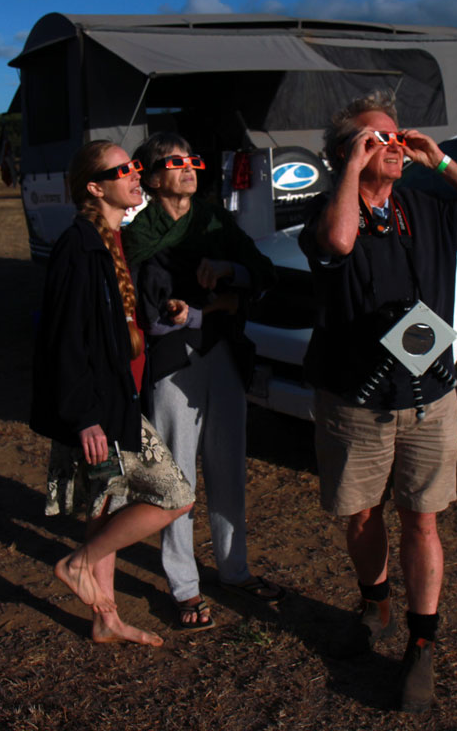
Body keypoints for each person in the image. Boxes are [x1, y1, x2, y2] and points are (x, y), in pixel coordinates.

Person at [298, 91, 457, 712]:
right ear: (346, 154)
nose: (392, 145)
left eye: (396, 137)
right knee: (362, 514)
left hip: (428, 396)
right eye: (376, 138)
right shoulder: (328, 212)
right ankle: (376, 605)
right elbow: (339, 244)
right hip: (355, 399)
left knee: (421, 517)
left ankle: (422, 641)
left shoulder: (426, 207)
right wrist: (348, 171)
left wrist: (441, 162)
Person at [30, 140, 196, 647]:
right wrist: (84, 417)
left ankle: (105, 617)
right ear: (95, 187)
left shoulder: (111, 238)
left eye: (134, 166)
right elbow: (62, 341)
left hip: (112, 401)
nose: (133, 173)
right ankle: (78, 564)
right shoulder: (78, 248)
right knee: (175, 496)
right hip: (99, 412)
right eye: (121, 169)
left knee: (105, 506)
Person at [123, 131, 282, 631]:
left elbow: (262, 271)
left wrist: (229, 267)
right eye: (173, 162)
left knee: (228, 466)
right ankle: (184, 587)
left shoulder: (214, 217)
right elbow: (153, 308)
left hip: (224, 354)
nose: (188, 168)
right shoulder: (139, 233)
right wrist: (217, 304)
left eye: (191, 159)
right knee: (178, 478)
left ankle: (235, 570)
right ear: (149, 178)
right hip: (174, 362)